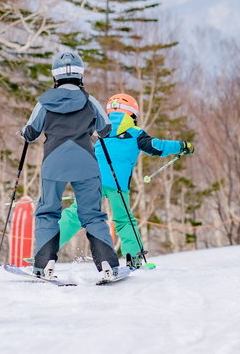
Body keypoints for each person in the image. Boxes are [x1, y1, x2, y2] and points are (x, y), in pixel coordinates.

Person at [56, 93, 192, 269]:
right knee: (124, 220)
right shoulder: (135, 134)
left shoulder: (98, 129)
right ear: (131, 113)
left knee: (74, 215)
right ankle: (133, 257)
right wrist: (182, 146)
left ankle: (45, 250)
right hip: (117, 185)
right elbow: (158, 147)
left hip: (91, 180)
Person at [21, 51, 119, 278]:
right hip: (85, 161)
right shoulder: (90, 100)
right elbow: (105, 130)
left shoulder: (44, 102)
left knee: (48, 212)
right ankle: (107, 264)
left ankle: (44, 264)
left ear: (55, 76)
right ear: (80, 74)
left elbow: (31, 132)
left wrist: (24, 133)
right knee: (92, 214)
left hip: (54, 162)